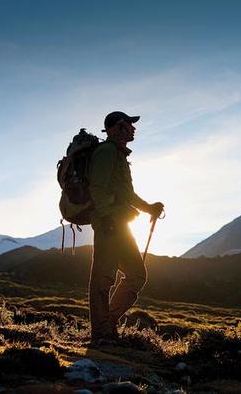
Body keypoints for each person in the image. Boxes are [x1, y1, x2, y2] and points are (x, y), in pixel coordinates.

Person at [87, 111, 164, 345]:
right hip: (110, 224)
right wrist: (107, 217)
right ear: (114, 128)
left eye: (131, 125)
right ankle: (102, 332)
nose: (132, 128)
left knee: (133, 275)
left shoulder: (117, 155)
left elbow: (126, 194)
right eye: (127, 124)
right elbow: (96, 187)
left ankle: (106, 327)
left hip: (118, 223)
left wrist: (149, 208)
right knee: (104, 278)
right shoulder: (107, 152)